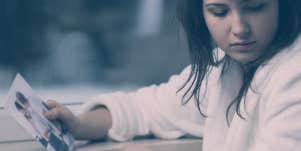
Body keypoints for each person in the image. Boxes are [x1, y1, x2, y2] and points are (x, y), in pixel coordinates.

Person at [44, 0, 301, 150]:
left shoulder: (294, 72)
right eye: (219, 12)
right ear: (200, 14)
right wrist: (79, 124)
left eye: (255, 7)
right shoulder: (223, 70)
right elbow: (149, 107)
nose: (240, 28)